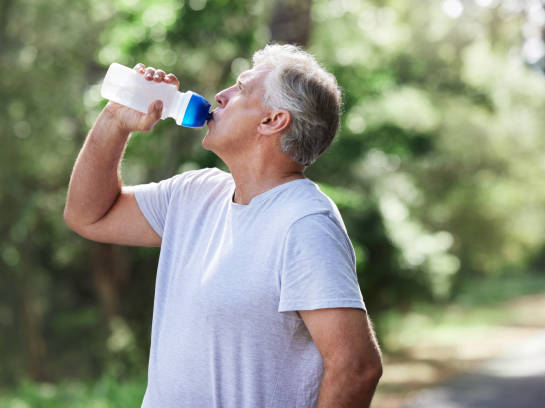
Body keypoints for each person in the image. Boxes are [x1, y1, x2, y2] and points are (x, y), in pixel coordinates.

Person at [64, 43, 382, 408]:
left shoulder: (304, 222)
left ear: (272, 120)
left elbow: (356, 367)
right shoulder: (194, 194)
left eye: (241, 88)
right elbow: (88, 215)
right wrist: (115, 120)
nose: (220, 94)